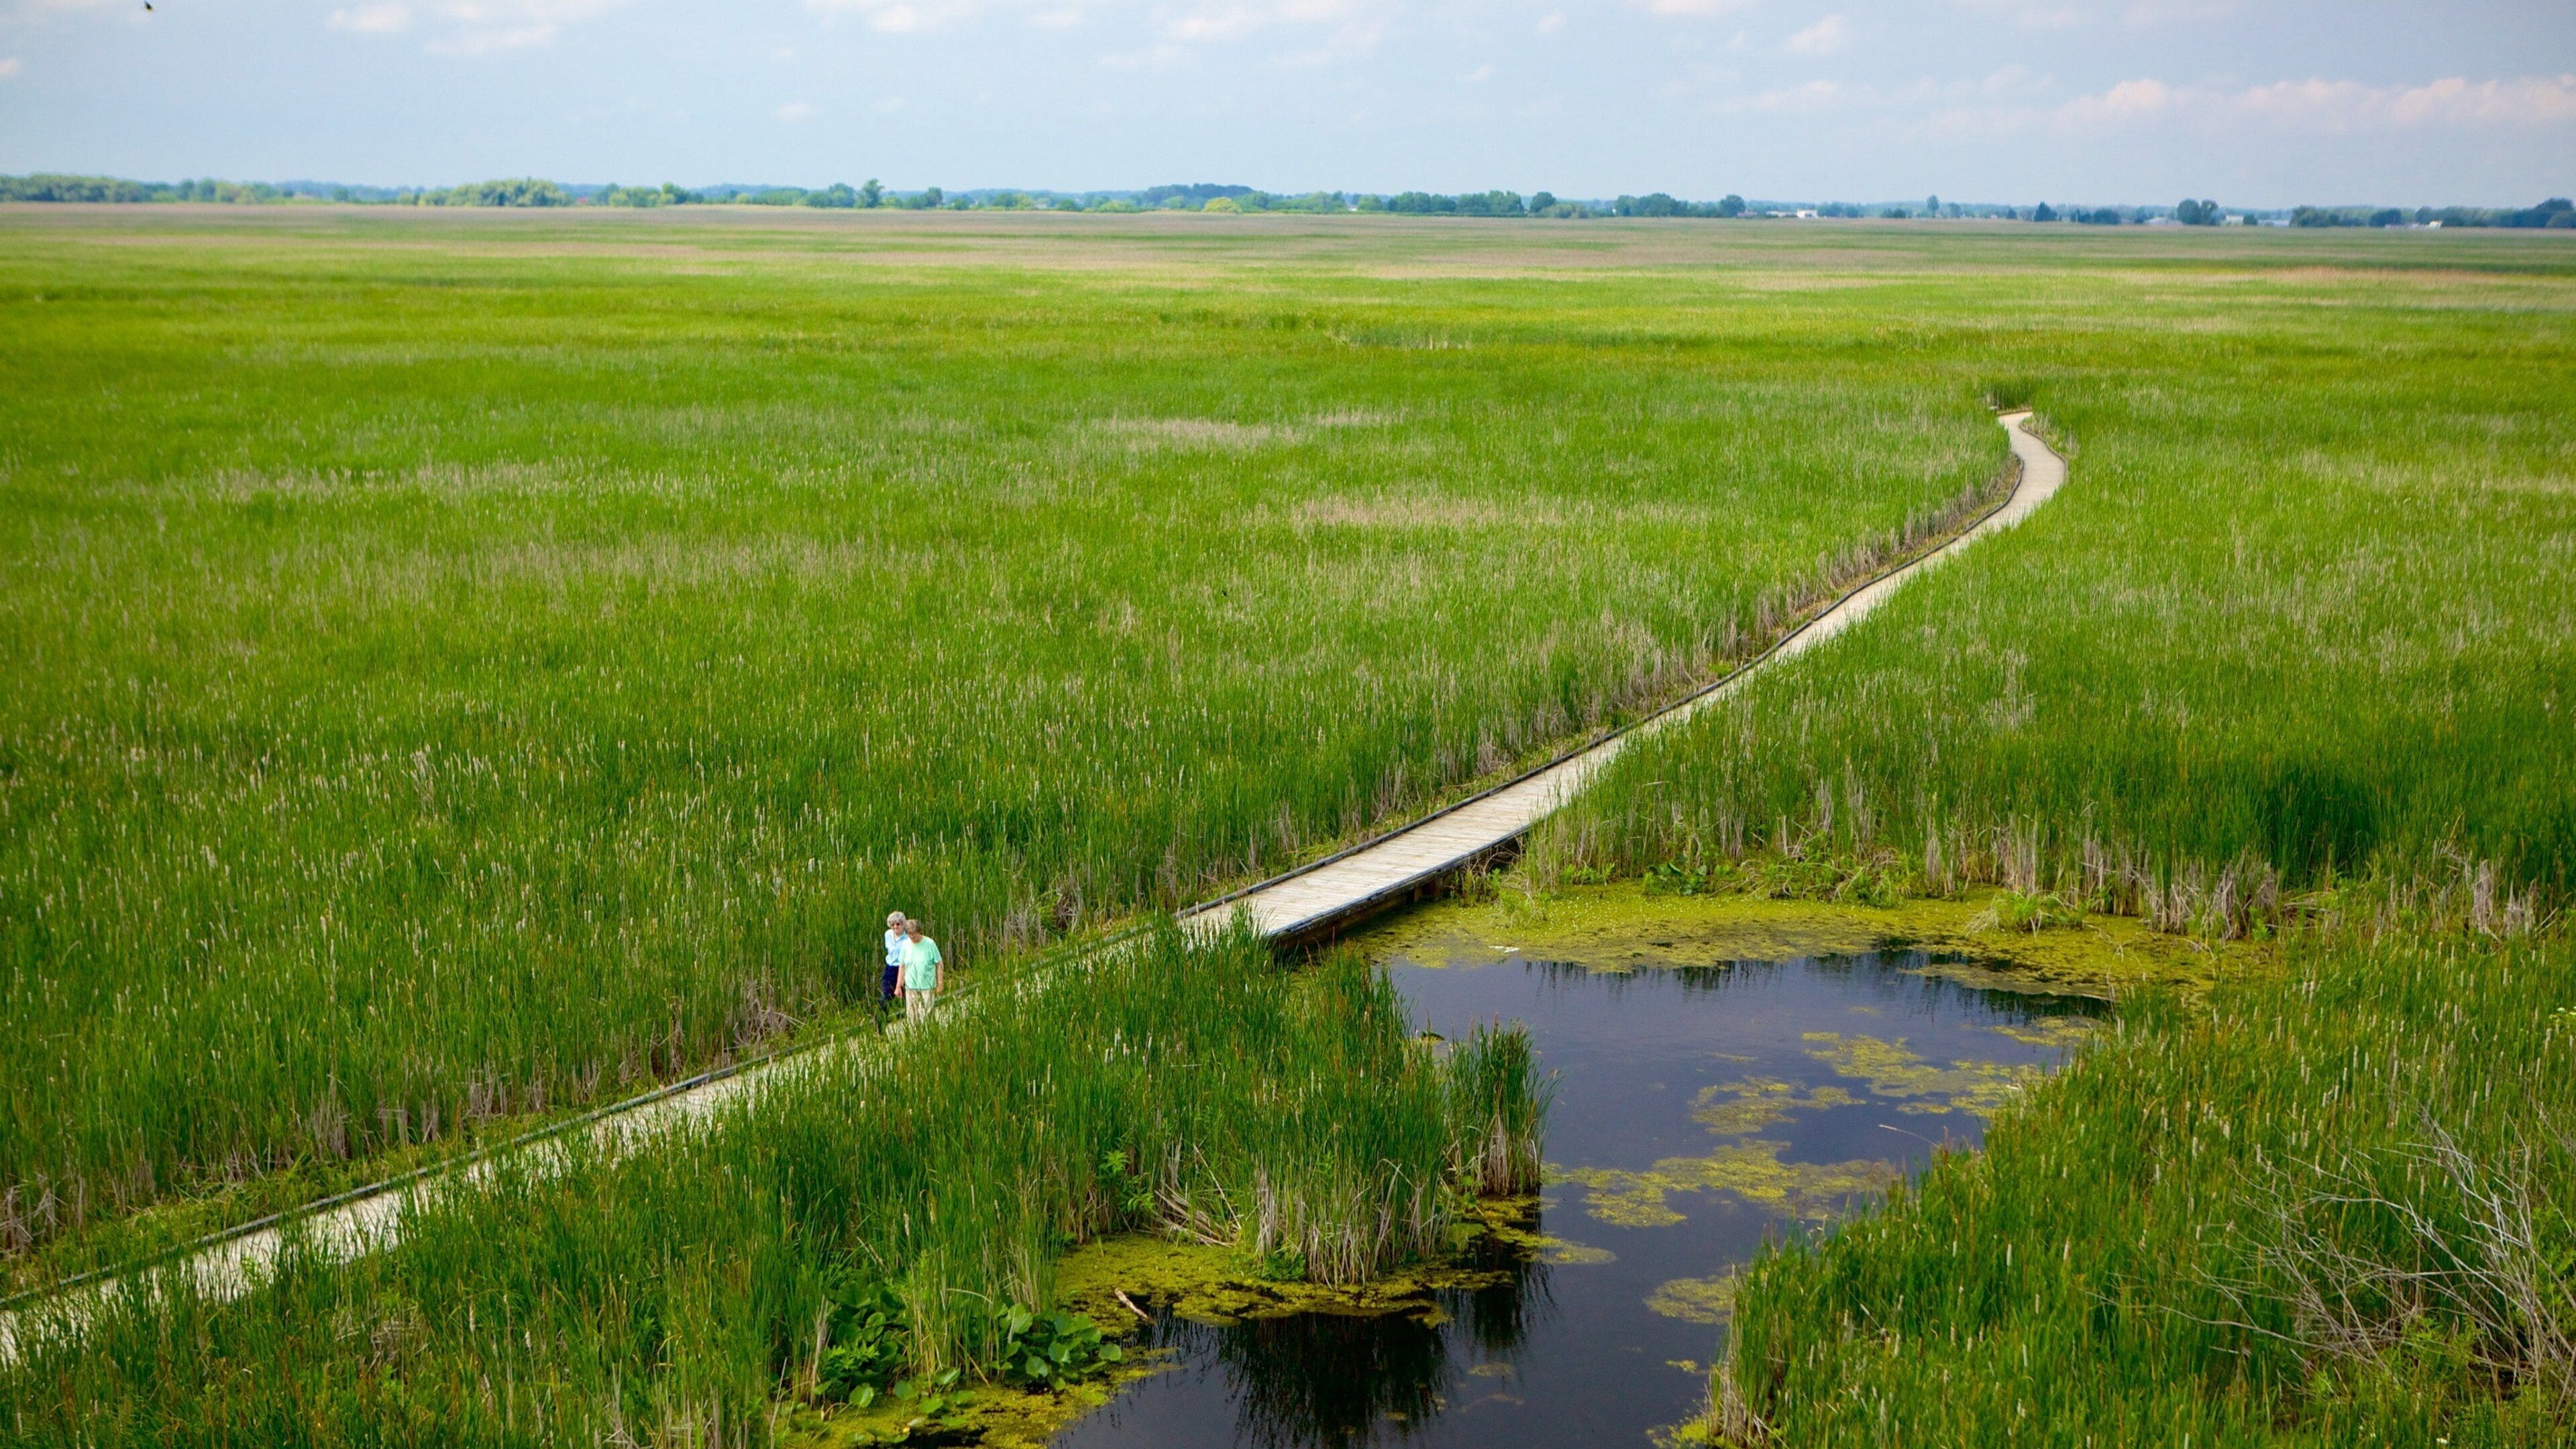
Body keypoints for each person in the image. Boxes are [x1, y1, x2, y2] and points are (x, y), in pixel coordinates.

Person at [899, 918, 945, 1022]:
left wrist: (940, 983)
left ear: (919, 931)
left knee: (927, 1013)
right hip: (911, 985)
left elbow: (939, 964)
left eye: (913, 934)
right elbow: (902, 965)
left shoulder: (930, 944)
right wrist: (899, 984)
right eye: (909, 934)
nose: (911, 937)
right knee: (911, 1014)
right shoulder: (906, 944)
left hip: (927, 985)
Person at [881, 912, 908, 1005]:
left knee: (906, 996)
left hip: (903, 968)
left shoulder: (907, 939)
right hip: (890, 968)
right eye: (892, 925)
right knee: (886, 996)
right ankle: (880, 1018)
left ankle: (911, 1016)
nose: (895, 927)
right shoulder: (888, 934)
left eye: (898, 924)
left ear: (903, 924)